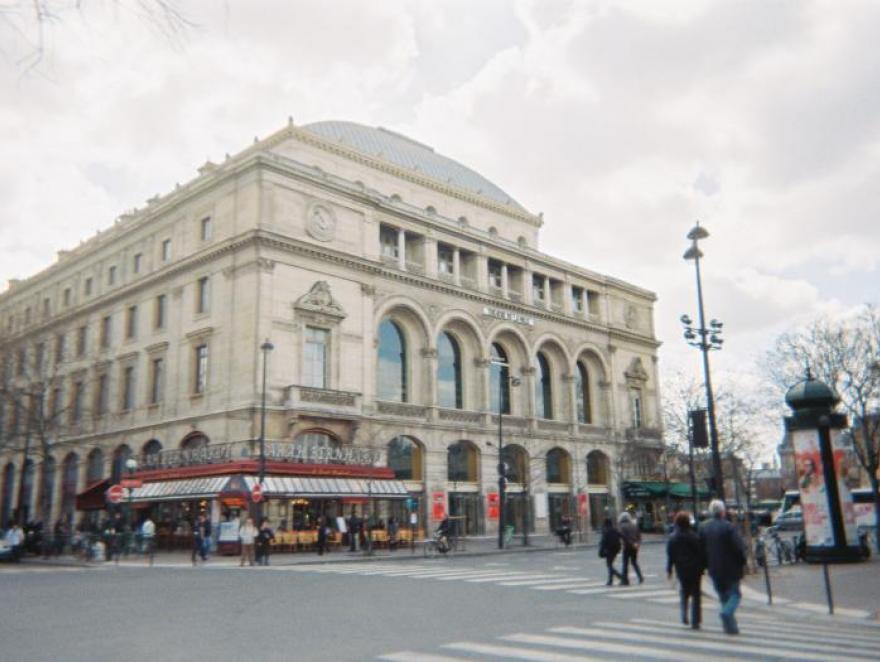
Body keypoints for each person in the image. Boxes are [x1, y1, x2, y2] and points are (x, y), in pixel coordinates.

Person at [700, 499, 747, 635]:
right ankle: (726, 614)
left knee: (723, 598)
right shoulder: (729, 527)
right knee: (735, 595)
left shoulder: (703, 528)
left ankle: (730, 628)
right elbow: (738, 548)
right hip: (731, 568)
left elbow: (701, 549)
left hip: (714, 568)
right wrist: (743, 561)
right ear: (722, 512)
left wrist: (704, 565)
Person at [667, 511, 704, 629]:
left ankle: (684, 614)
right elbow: (700, 553)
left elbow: (670, 555)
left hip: (681, 569)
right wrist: (703, 567)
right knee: (696, 594)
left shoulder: (672, 538)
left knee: (684, 592)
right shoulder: (693, 536)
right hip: (694, 568)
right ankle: (695, 620)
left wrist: (669, 569)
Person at [618, 511, 643, 585]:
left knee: (625, 564)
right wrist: (637, 544)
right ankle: (640, 576)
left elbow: (623, 537)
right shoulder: (634, 525)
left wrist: (627, 543)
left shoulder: (622, 526)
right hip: (635, 546)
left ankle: (625, 580)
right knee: (634, 562)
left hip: (627, 546)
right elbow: (639, 536)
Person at [598, 517, 624, 586]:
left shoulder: (606, 531)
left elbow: (603, 542)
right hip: (616, 549)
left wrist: (601, 551)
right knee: (610, 565)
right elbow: (621, 536)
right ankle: (612, 580)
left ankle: (618, 577)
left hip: (609, 550)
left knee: (609, 565)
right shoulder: (615, 530)